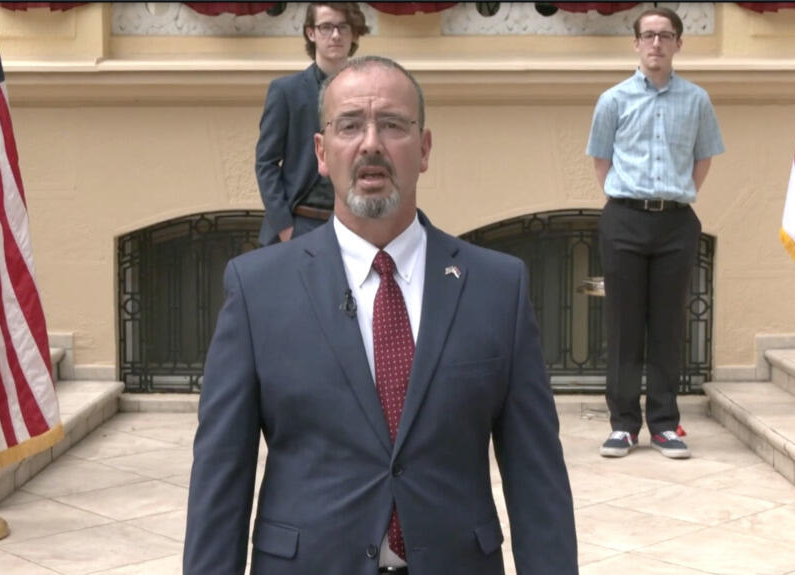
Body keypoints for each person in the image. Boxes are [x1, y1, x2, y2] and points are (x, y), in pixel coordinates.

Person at [185, 55, 578, 575]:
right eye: (350, 125)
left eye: (392, 124)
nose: (371, 143)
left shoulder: (498, 287)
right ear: (322, 153)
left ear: (424, 149)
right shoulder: (256, 289)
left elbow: (537, 482)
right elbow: (220, 482)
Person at [586, 7, 724, 460]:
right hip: (624, 218)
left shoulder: (698, 100)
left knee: (667, 325)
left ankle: (665, 424)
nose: (656, 44)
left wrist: (674, 197)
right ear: (636, 43)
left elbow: (703, 158)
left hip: (676, 223)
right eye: (648, 35)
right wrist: (631, 200)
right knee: (624, 326)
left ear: (678, 44)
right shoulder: (613, 100)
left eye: (666, 36)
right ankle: (624, 425)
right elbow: (601, 160)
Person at [254, 3, 368, 246]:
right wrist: (286, 228)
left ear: (354, 33)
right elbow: (266, 163)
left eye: (343, 27)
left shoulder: (369, 92)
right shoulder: (285, 91)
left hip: (358, 224)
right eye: (326, 27)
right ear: (311, 33)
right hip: (302, 222)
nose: (335, 35)